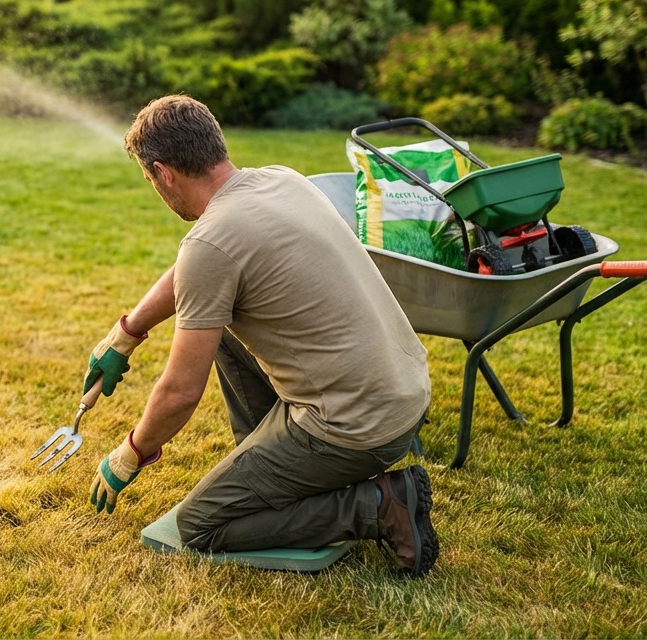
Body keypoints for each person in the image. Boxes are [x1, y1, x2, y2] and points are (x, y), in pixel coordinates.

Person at [83, 94, 438, 577]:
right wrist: (127, 332)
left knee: (201, 527)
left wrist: (132, 452)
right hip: (405, 396)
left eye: (151, 180)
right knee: (222, 324)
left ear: (164, 173)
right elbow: (199, 270)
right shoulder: (280, 179)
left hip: (353, 429)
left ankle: (382, 505)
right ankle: (270, 471)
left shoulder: (211, 243)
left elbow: (180, 392)